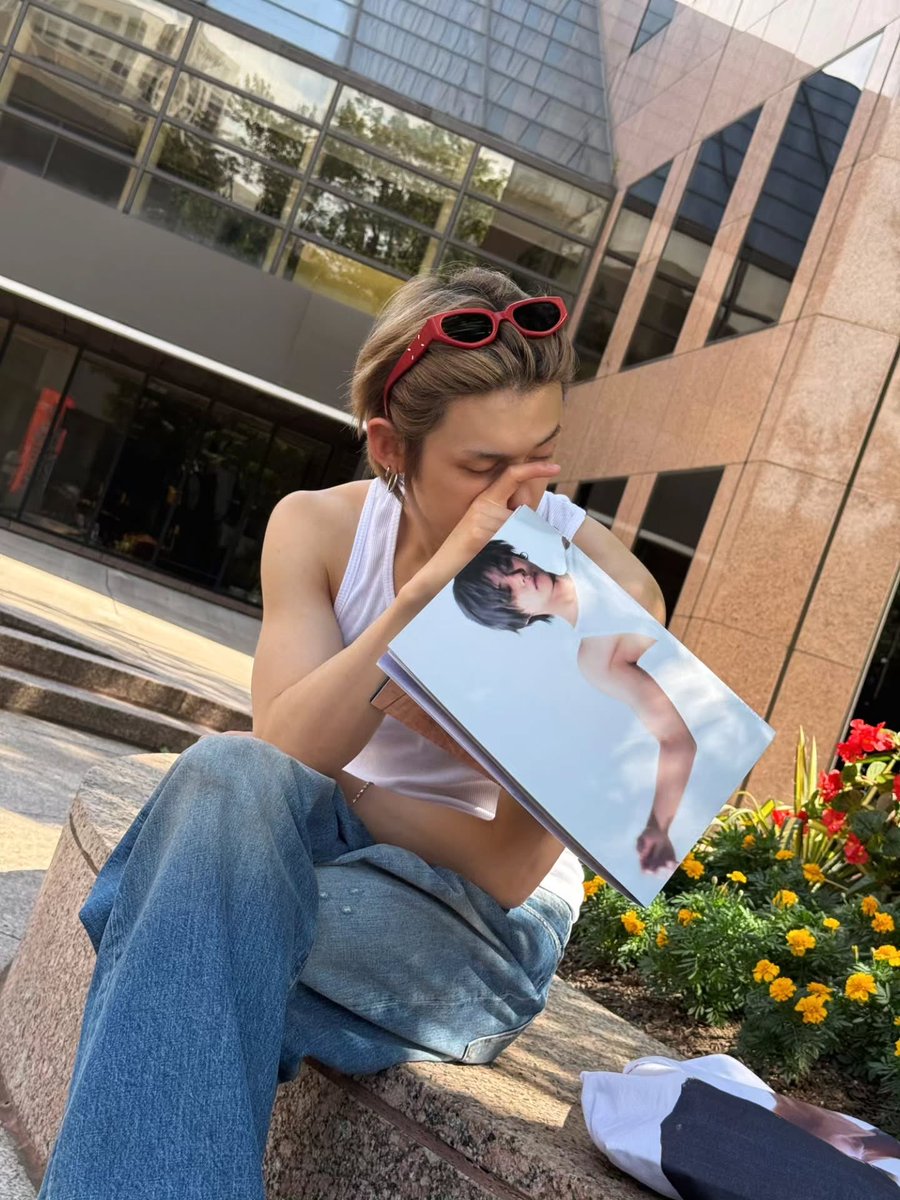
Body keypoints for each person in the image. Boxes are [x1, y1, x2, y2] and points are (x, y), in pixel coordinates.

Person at [38, 267, 666, 1199]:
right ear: (389, 446)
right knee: (222, 773)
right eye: (484, 468)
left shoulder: (601, 588)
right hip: (317, 849)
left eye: (543, 458)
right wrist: (416, 610)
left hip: (473, 926)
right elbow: (277, 752)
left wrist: (356, 786)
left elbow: (505, 867)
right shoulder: (318, 528)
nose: (522, 499)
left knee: (175, 917)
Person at [453, 538, 697, 873]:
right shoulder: (597, 660)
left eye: (509, 565)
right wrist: (658, 827)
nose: (520, 577)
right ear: (517, 617)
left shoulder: (580, 551)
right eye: (506, 591)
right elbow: (677, 741)